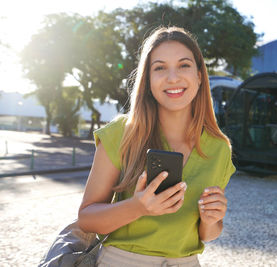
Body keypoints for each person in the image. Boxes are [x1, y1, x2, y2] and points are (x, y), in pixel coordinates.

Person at [77, 26, 236, 267]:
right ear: (148, 80)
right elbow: (86, 219)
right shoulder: (121, 133)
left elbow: (208, 234)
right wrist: (137, 207)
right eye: (160, 68)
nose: (173, 78)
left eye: (184, 65)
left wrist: (211, 219)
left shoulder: (219, 148)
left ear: (200, 76)